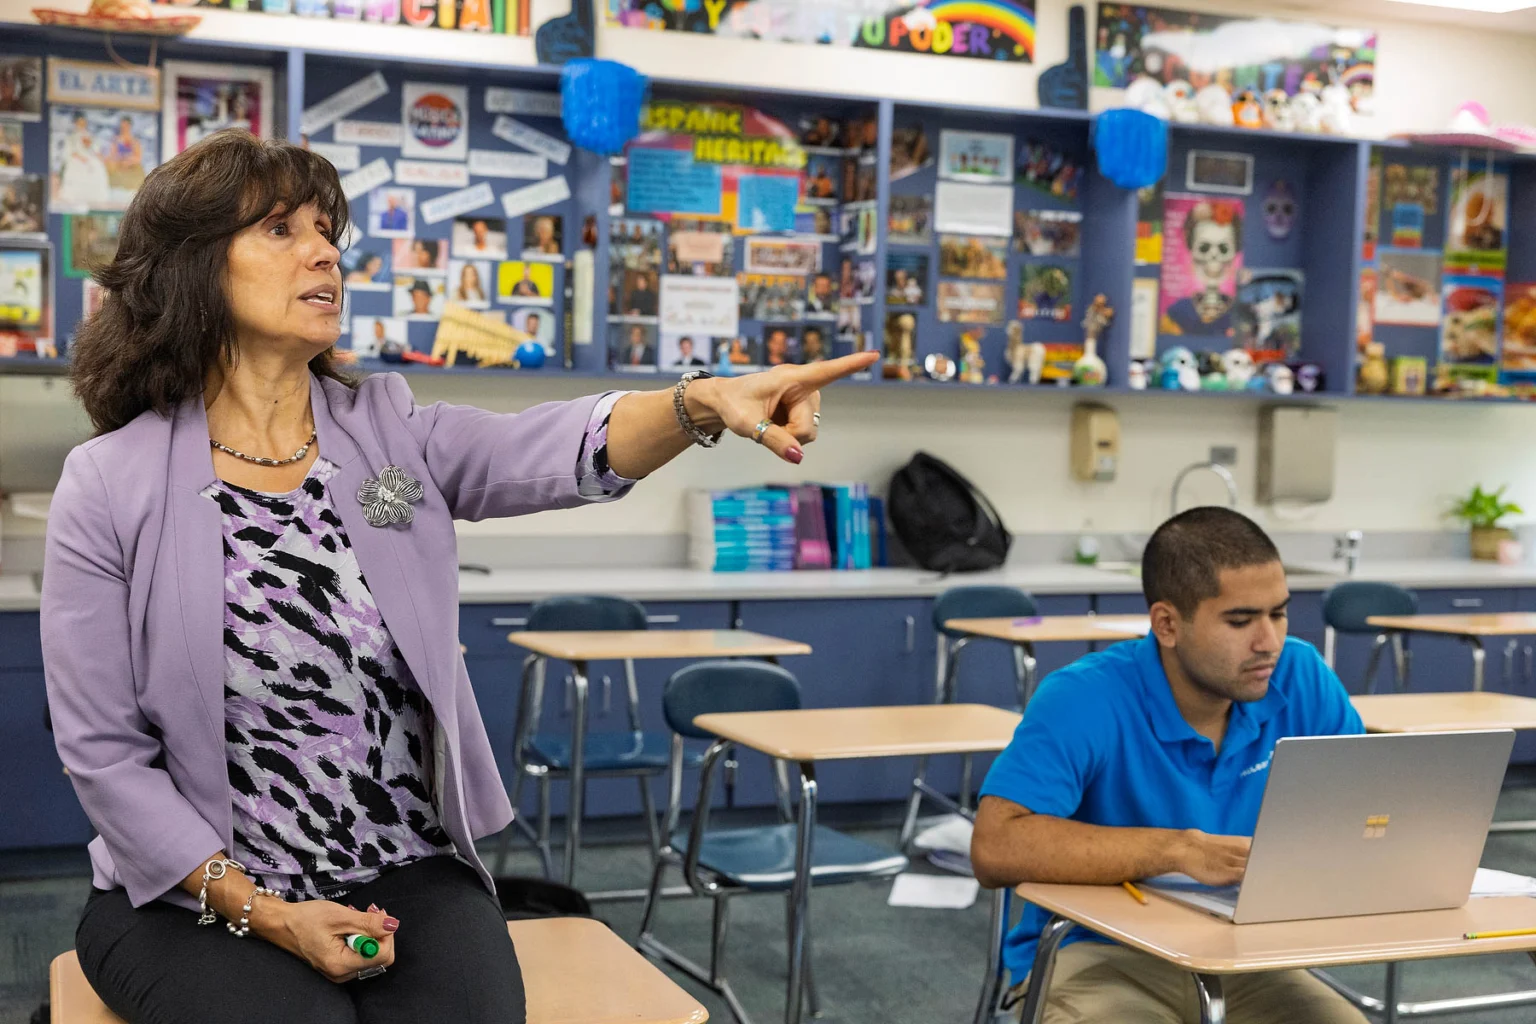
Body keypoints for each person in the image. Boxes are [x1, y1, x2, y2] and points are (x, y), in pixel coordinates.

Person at [49, 128, 879, 1024]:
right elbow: (105, 755)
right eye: (282, 230)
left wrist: (700, 402)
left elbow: (554, 447)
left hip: (401, 864)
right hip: (198, 893)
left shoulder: (389, 436)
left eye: (329, 229)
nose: (325, 249)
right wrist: (271, 915)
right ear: (192, 267)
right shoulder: (112, 483)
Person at [970, 507, 1368, 1024]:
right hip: (1098, 954)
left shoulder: (1301, 676)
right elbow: (995, 845)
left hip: (1247, 955)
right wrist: (1177, 850)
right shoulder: (1084, 696)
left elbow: (1366, 812)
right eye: (1241, 620)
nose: (1268, 641)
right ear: (1167, 624)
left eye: (1279, 613)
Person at [1161, 199, 1242, 338]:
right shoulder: (1177, 312)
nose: (1214, 256)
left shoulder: (1238, 311)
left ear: (1234, 254)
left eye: (1223, 248)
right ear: (1191, 251)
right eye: (1204, 248)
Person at [56, 111, 110, 211]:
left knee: (96, 167)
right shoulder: (71, 138)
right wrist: (81, 158)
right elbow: (70, 152)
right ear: (75, 123)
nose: (81, 124)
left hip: (90, 160)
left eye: (83, 122)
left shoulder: (90, 137)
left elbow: (96, 151)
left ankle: (95, 198)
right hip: (77, 160)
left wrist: (91, 149)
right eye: (79, 122)